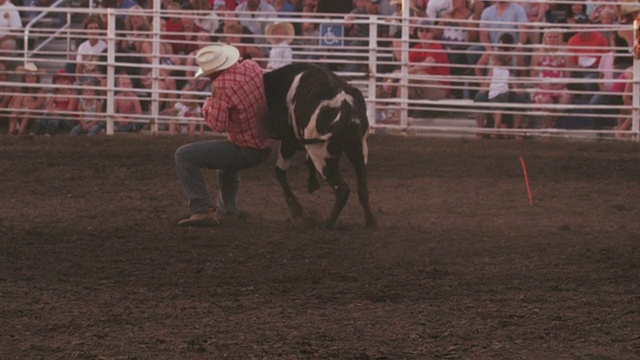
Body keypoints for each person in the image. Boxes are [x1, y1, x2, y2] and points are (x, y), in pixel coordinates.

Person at [174, 43, 273, 227]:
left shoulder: (222, 86)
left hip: (246, 148)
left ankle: (201, 209)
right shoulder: (251, 66)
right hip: (265, 141)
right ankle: (228, 208)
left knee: (183, 155)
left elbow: (218, 125)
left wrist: (207, 105)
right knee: (226, 163)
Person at [474, 32, 527, 138]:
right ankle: (481, 130)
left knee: (521, 98)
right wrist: (482, 83)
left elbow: (523, 72)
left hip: (510, 87)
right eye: (500, 47)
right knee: (479, 97)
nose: (502, 50)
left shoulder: (516, 56)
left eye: (505, 48)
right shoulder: (491, 53)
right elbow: (478, 68)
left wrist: (519, 85)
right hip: (492, 85)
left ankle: (515, 130)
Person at [530, 29, 572, 128]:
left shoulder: (565, 55)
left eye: (555, 37)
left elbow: (568, 76)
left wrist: (559, 86)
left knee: (566, 100)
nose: (552, 39)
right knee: (547, 101)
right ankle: (548, 127)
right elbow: (533, 75)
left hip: (559, 86)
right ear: (545, 39)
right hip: (542, 86)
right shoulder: (537, 55)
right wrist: (543, 86)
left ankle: (550, 123)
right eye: (550, 37)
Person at [566, 14, 608, 102]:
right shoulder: (572, 40)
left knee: (588, 80)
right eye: (579, 24)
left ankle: (589, 103)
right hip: (579, 69)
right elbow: (571, 63)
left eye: (585, 24)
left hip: (596, 70)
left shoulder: (600, 38)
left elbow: (606, 58)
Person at [30, 69, 78, 136]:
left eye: (63, 80)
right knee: (49, 114)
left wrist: (57, 110)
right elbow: (47, 108)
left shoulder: (72, 95)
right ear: (55, 83)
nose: (60, 83)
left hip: (70, 122)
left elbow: (69, 112)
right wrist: (52, 110)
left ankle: (46, 132)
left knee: (55, 115)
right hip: (57, 119)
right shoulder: (55, 95)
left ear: (68, 82)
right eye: (58, 81)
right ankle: (35, 131)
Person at [8, 63, 46, 135]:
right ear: (24, 78)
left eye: (33, 76)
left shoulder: (41, 91)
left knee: (27, 99)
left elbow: (37, 105)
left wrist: (23, 106)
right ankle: (11, 132)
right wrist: (17, 109)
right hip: (20, 113)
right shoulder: (20, 90)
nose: (30, 79)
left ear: (36, 78)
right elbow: (10, 105)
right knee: (19, 97)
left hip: (35, 115)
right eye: (28, 76)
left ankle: (20, 132)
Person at [75, 16, 108, 84]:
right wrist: (78, 81)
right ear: (86, 31)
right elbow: (79, 69)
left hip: (99, 78)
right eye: (90, 28)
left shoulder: (104, 46)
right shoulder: (82, 47)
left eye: (96, 28)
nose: (93, 30)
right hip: (85, 77)